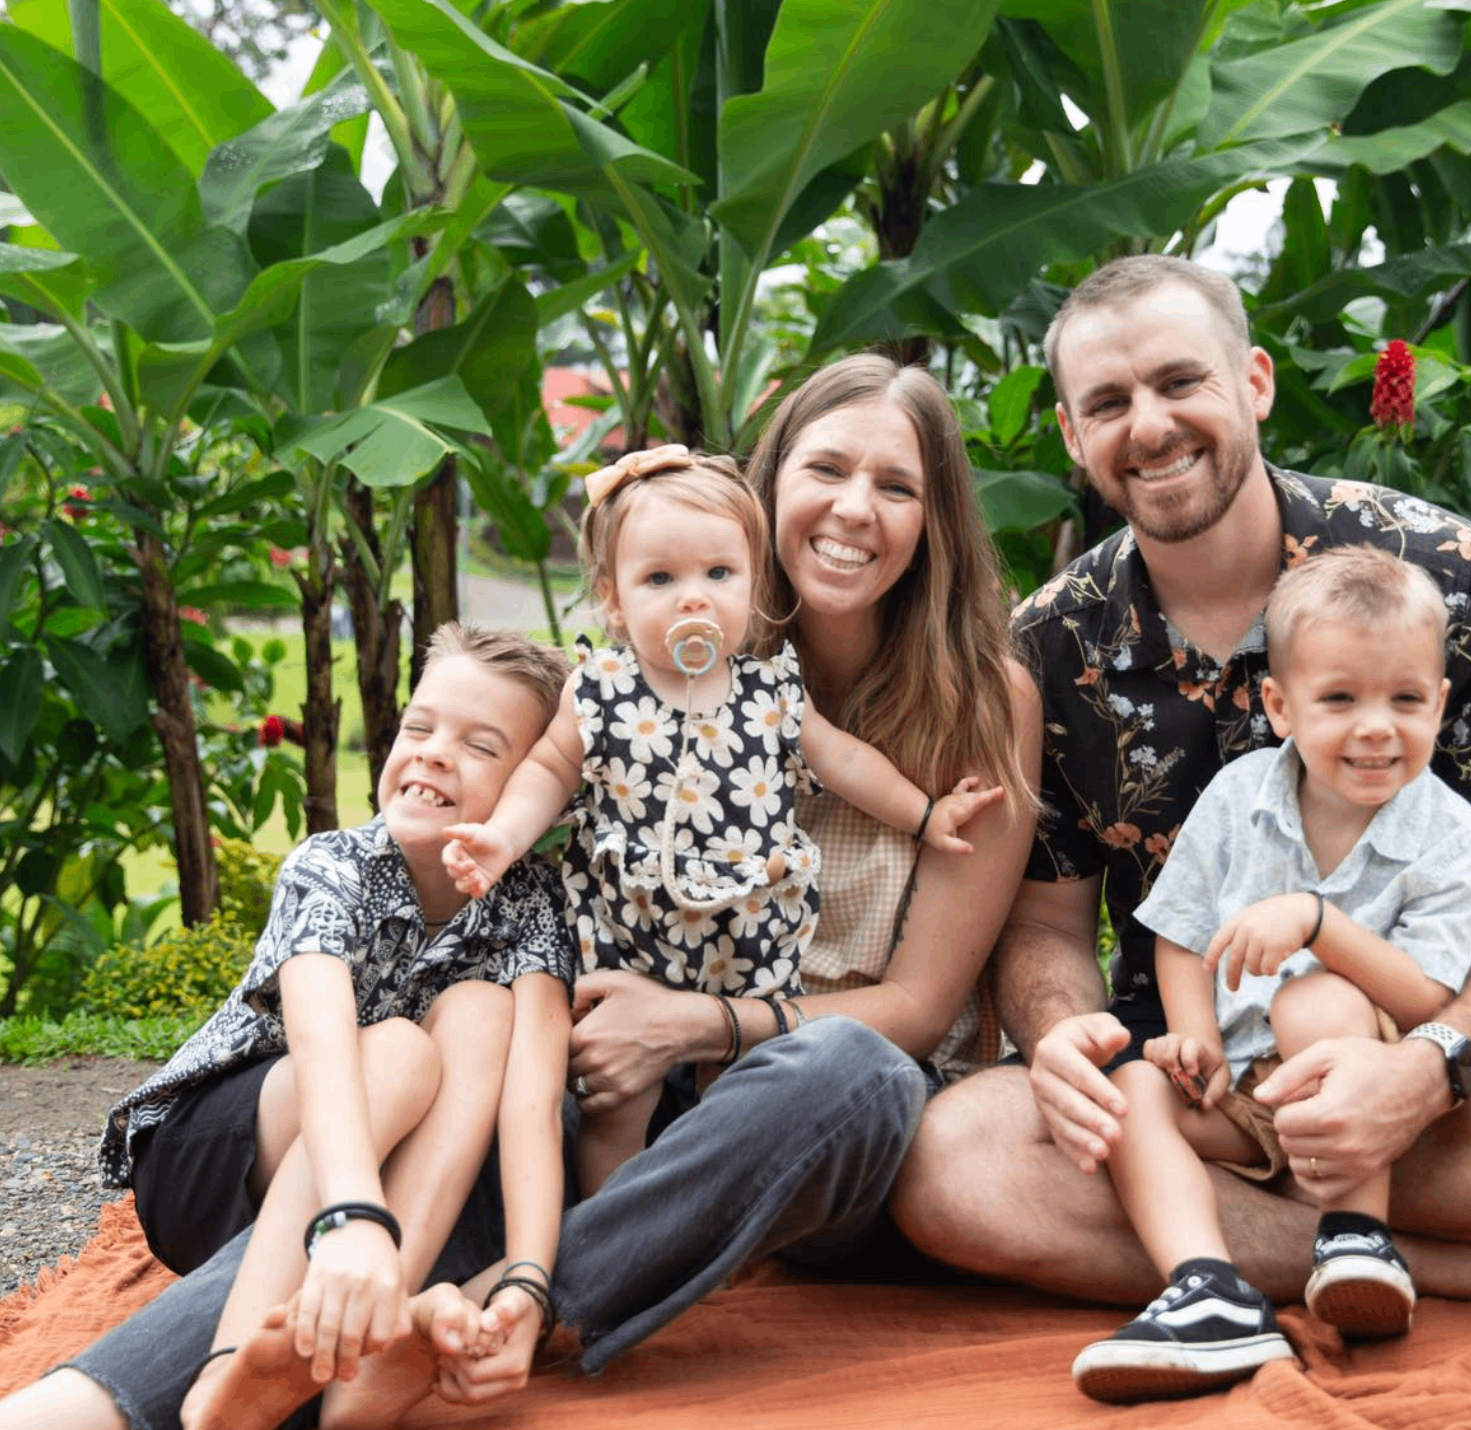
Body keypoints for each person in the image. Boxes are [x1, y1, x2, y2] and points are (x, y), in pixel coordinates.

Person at [0, 354, 1040, 1430]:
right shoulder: (660, 642)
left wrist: (690, 1023)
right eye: (825, 467)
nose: (854, 508)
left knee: (858, 1073)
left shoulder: (979, 699)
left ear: (937, 517)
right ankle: (100, 1403)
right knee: (481, 1133)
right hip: (604, 1072)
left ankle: (529, 1302)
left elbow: (919, 1005)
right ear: (766, 492)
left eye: (898, 485)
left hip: (789, 1101)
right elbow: (514, 745)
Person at [893, 255, 1471, 1348]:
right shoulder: (1055, 644)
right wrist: (1063, 1036)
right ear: (1072, 435)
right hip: (1196, 1074)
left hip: (1434, 1024)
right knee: (949, 1159)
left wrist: (1427, 1072)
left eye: (1178, 381)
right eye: (1108, 403)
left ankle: (1270, 1230)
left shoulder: (1439, 571)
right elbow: (1047, 923)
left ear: (1253, 381)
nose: (1148, 425)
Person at [0, 624, 575, 1430]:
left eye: (481, 746)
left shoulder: (535, 907)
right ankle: (228, 1378)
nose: (435, 753)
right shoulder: (330, 865)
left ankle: (361, 1353)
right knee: (402, 1051)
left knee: (485, 1011)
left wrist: (529, 1277)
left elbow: (532, 1106)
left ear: (534, 792)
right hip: (221, 1151)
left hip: (368, 1173)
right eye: (419, 728)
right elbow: (326, 1045)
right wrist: (352, 1220)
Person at [442, 446, 1002, 1190]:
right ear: (614, 600)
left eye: (718, 575)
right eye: (660, 580)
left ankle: (707, 1229)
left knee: (736, 1101)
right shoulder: (602, 689)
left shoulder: (770, 692)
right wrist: (504, 836)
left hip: (747, 941)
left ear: (754, 585)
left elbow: (847, 765)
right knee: (618, 1103)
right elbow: (548, 770)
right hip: (629, 935)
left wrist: (926, 813)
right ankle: (617, 1226)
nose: (693, 599)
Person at [1071, 545, 1471, 1403]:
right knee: (1128, 1093)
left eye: (1406, 699)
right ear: (1280, 705)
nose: (1376, 727)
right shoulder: (1238, 799)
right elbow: (1183, 937)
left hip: (1367, 1100)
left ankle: (1357, 1236)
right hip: (1248, 1098)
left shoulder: (1447, 834)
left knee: (1318, 995)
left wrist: (1316, 921)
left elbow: (1428, 1000)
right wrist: (1193, 1040)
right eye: (1339, 698)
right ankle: (1206, 1286)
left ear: (1439, 703)